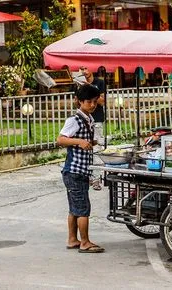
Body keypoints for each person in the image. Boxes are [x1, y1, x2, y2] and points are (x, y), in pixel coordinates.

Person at [57, 84, 105, 253]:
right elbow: (61, 140)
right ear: (79, 101)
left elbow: (83, 140)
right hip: (74, 171)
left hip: (81, 171)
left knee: (74, 208)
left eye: (94, 102)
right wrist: (79, 142)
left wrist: (91, 142)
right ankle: (85, 242)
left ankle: (72, 239)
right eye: (89, 102)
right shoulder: (74, 120)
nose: (92, 105)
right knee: (83, 209)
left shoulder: (88, 119)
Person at [81, 66, 106, 146]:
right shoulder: (79, 84)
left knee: (97, 146)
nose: (84, 71)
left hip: (97, 119)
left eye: (86, 68)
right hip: (83, 120)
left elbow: (102, 102)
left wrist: (90, 87)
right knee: (85, 145)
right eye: (82, 69)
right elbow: (78, 104)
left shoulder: (100, 82)